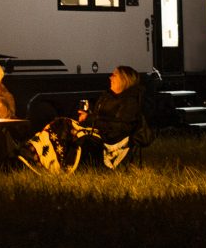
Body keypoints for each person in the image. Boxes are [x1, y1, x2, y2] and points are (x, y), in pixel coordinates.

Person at [18, 65, 149, 173]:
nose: (110, 77)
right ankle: (34, 151)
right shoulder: (108, 96)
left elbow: (119, 128)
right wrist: (88, 116)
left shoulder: (130, 102)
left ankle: (41, 157)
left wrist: (90, 119)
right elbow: (100, 117)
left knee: (64, 126)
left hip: (109, 139)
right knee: (60, 123)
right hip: (97, 130)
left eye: (114, 75)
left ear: (124, 79)